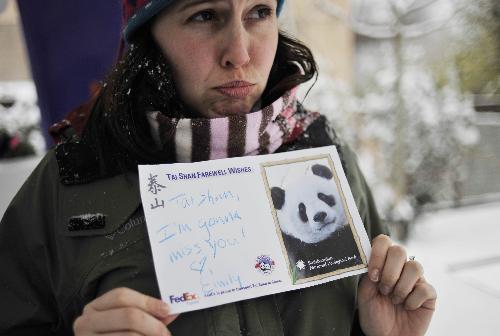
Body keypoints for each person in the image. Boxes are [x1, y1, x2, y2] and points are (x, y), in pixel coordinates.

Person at [0, 0, 437, 335]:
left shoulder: (323, 151)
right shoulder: (72, 177)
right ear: (149, 35)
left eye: (259, 11)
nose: (239, 52)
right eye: (205, 14)